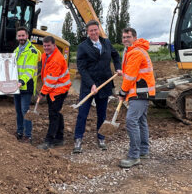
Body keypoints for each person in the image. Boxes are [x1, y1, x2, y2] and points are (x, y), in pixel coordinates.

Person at [73, 20, 122, 154]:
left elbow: (115, 55)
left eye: (95, 30)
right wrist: (91, 84)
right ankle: (78, 139)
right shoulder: (83, 47)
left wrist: (118, 68)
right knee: (82, 113)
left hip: (104, 83)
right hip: (89, 85)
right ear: (87, 33)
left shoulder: (106, 42)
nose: (94, 33)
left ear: (99, 30)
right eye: (91, 31)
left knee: (102, 113)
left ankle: (101, 138)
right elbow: (82, 68)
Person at [118, 27, 156, 168]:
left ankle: (134, 156)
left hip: (139, 92)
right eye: (123, 37)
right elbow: (132, 72)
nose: (125, 39)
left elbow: (131, 77)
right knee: (141, 121)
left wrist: (122, 92)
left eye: (128, 37)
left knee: (131, 121)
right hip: (142, 91)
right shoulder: (135, 51)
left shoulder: (135, 52)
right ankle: (144, 151)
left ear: (134, 37)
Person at [37, 36, 71, 150]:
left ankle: (49, 141)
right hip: (54, 89)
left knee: (53, 115)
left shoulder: (56, 59)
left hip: (58, 90)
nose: (46, 48)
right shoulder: (45, 55)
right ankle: (59, 138)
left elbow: (51, 81)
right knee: (57, 113)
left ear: (54, 45)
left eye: (48, 46)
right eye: (44, 46)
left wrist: (42, 93)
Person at [13, 26, 40, 144]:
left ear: (27, 36)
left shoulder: (32, 51)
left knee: (25, 112)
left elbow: (30, 71)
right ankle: (19, 132)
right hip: (16, 86)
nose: (21, 38)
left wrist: (22, 81)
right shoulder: (16, 51)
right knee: (18, 111)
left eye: (23, 36)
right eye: (19, 36)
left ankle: (28, 136)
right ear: (17, 37)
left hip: (26, 86)